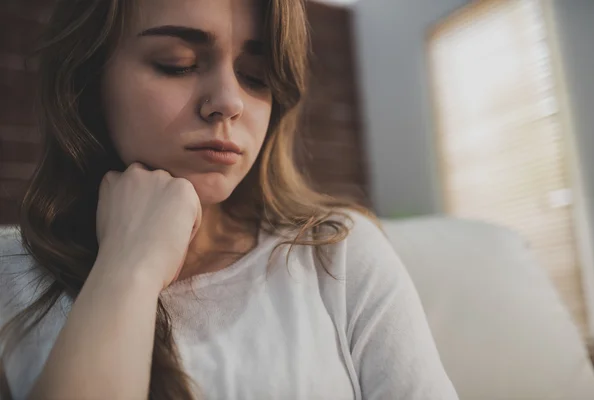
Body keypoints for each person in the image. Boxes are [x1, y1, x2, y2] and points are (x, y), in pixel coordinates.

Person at [0, 0, 459, 399]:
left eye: (256, 76)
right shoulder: (9, 274)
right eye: (176, 63)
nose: (229, 101)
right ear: (88, 79)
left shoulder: (335, 252)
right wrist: (128, 266)